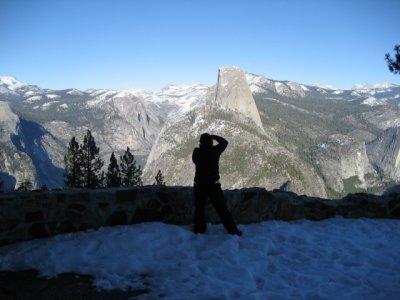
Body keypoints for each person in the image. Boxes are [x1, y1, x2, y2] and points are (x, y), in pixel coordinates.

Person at [192, 133, 242, 236]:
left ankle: (199, 229)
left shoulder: (197, 152)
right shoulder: (215, 151)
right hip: (213, 186)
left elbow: (194, 160)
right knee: (222, 209)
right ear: (211, 142)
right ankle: (232, 230)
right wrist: (213, 136)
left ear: (200, 142)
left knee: (199, 208)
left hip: (199, 185)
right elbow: (224, 142)